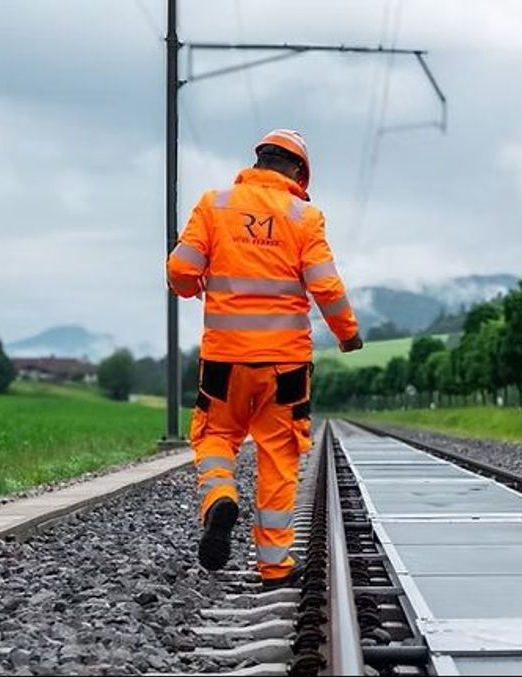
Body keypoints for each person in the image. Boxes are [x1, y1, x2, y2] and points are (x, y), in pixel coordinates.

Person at [166, 129, 362, 588]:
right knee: (279, 455)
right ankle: (274, 566)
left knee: (215, 435)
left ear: (257, 162)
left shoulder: (214, 204)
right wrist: (347, 335)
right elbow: (325, 286)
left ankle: (219, 496)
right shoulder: (304, 216)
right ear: (297, 172)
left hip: (224, 362)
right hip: (285, 367)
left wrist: (192, 288)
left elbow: (180, 270)